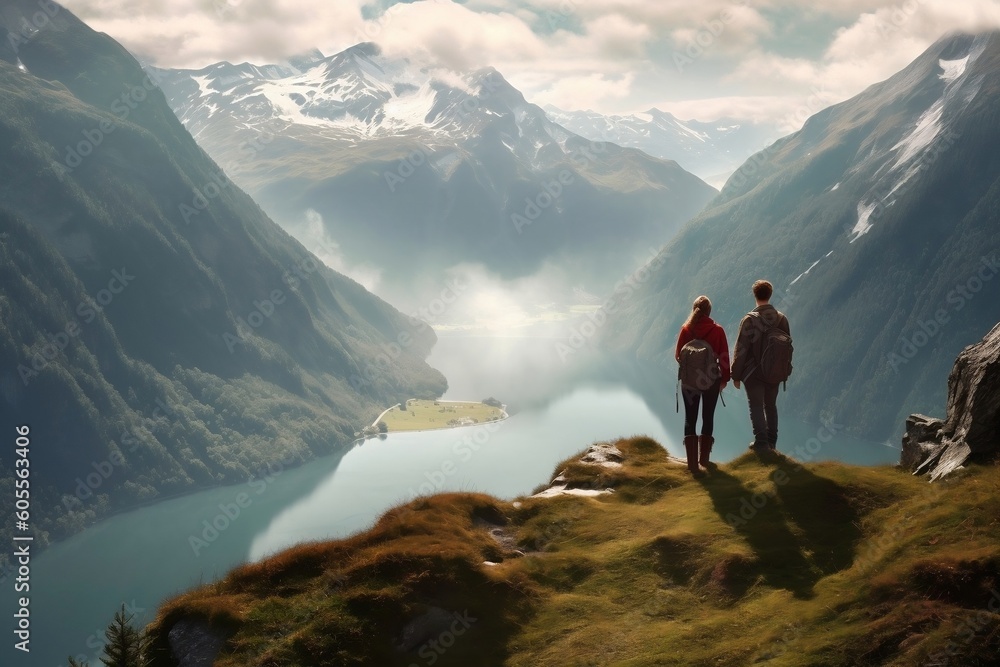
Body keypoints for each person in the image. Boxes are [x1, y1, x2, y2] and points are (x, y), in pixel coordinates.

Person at [731, 280, 790, 453]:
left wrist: (735, 375)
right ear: (770, 294)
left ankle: (761, 443)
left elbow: (741, 349)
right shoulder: (781, 319)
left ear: (754, 295)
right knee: (771, 406)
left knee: (756, 406)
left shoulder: (749, 320)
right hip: (775, 372)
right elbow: (787, 347)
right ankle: (772, 443)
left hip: (753, 373)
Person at [675, 295, 730, 477]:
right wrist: (724, 379)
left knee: (689, 419)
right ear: (709, 311)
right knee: (708, 417)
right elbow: (724, 356)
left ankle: (692, 466)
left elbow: (678, 356)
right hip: (711, 381)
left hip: (689, 382)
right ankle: (704, 461)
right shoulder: (717, 330)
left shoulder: (686, 329)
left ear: (694, 309)